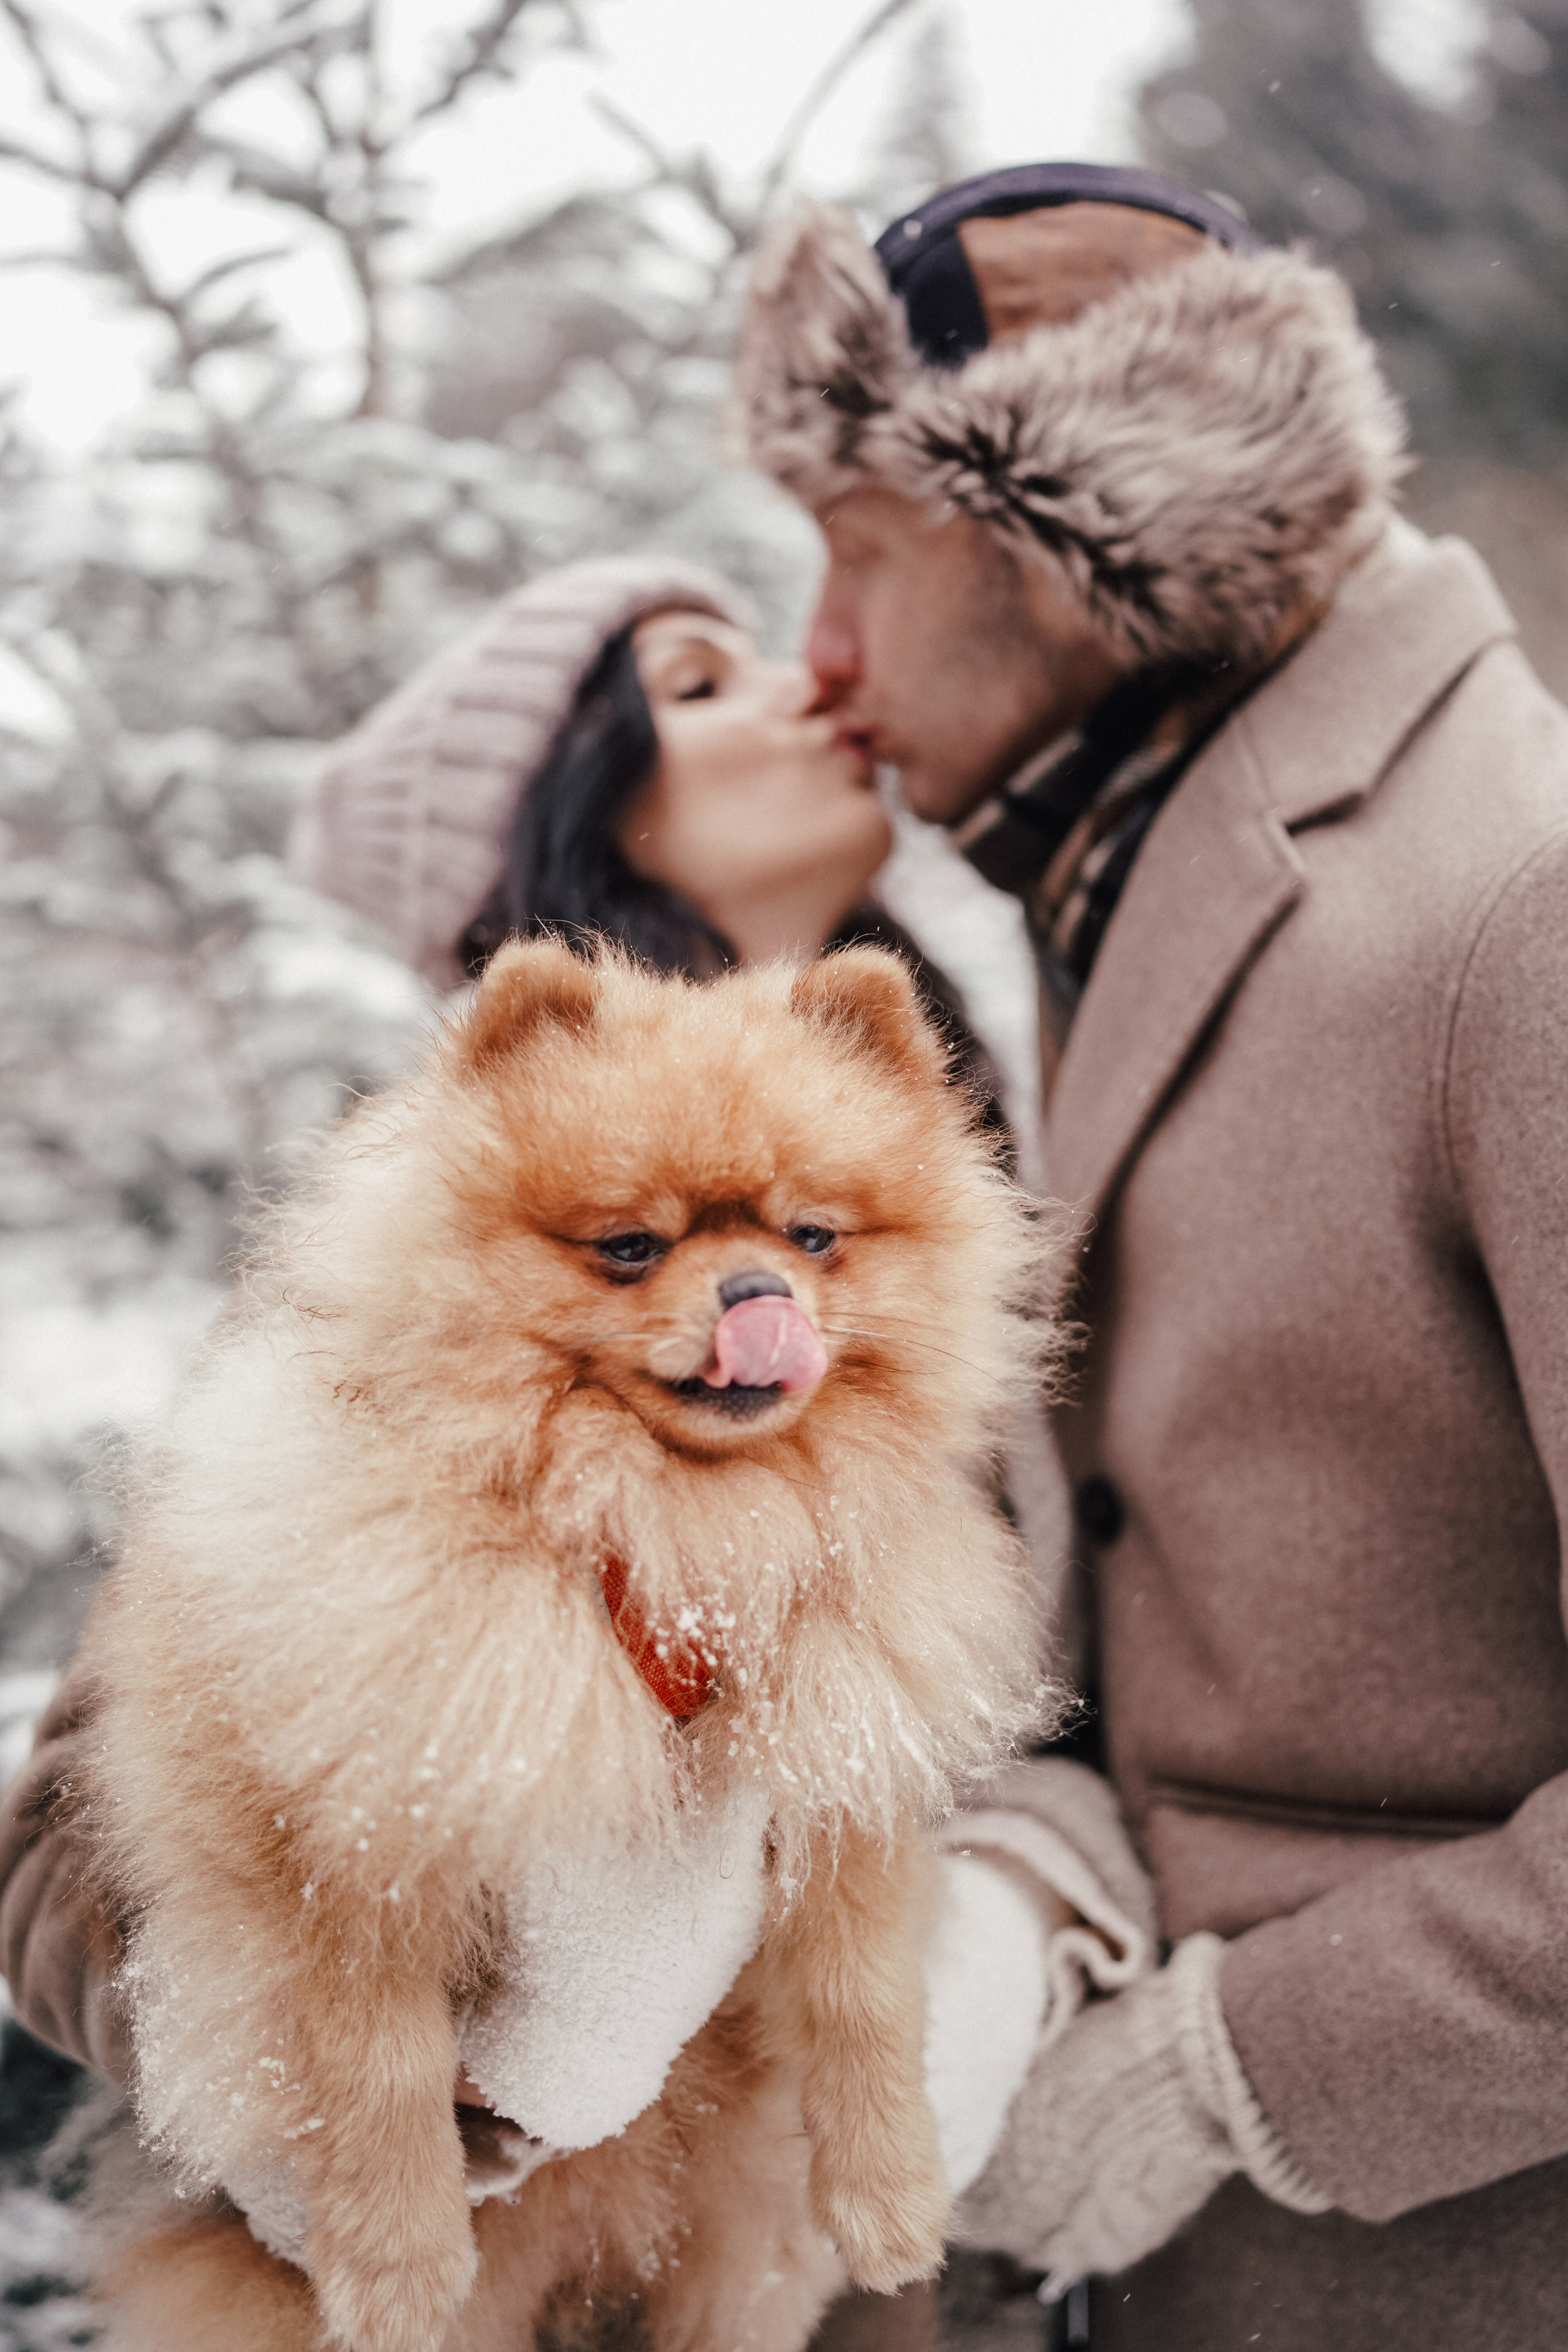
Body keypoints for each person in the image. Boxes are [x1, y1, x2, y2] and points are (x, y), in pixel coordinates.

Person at [0, 550, 1148, 2350]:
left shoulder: (968, 1208)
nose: (802, 685)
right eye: (697, 684)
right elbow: (62, 1863)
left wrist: (1008, 1920)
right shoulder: (393, 1301)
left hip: (828, 2277)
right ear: (565, 808)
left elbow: (1121, 1711)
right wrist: (421, 2081)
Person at [731, 157, 1568, 2348]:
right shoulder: (1134, 862)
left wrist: (1246, 2074)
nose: (818, 660)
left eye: (858, 555)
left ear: (1068, 531)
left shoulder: (1519, 905)